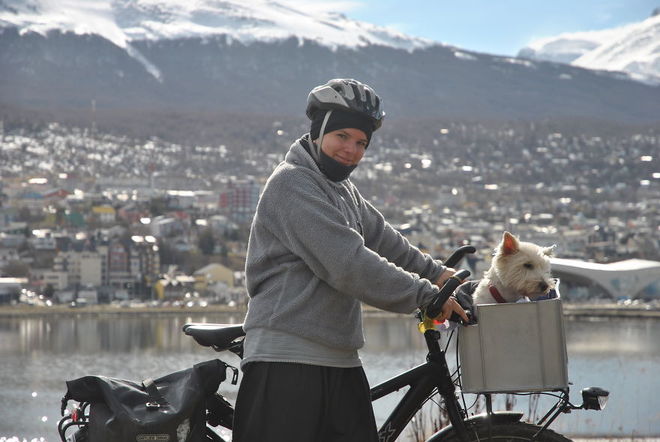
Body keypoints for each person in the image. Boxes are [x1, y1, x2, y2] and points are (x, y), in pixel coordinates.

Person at [233, 78, 468, 441]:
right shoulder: (292, 184)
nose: (352, 150)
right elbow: (349, 264)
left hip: (339, 356)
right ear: (318, 132)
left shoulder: (342, 190)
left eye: (361, 142)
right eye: (342, 136)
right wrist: (425, 294)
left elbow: (387, 241)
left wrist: (439, 275)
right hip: (287, 358)